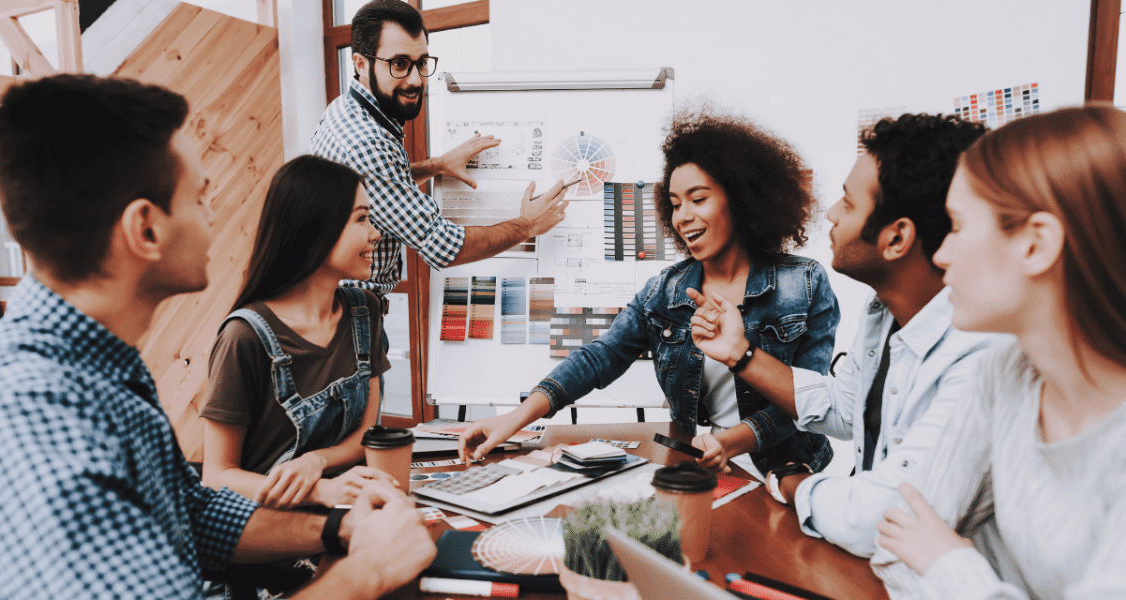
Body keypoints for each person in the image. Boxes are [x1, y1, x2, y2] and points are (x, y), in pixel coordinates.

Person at [0, 74, 434, 599]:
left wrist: (340, 528)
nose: (213, 219)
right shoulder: (29, 421)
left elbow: (192, 513)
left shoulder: (95, 368)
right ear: (145, 229)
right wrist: (366, 571)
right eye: (200, 198)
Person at [459, 105, 838, 476]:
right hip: (699, 468)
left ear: (739, 198)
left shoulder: (803, 285)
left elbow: (809, 402)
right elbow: (600, 357)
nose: (683, 216)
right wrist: (515, 417)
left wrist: (732, 442)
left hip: (792, 474)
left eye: (698, 199)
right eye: (675, 204)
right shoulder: (665, 292)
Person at [689, 113, 994, 557]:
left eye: (848, 204)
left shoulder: (978, 351)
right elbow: (843, 406)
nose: (831, 213)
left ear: (897, 238)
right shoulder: (884, 315)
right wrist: (740, 352)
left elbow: (883, 515)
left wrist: (797, 485)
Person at [872, 105, 1126, 599]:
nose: (941, 254)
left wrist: (952, 564)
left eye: (957, 226)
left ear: (1035, 245)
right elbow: (896, 548)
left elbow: (930, 556)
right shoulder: (1005, 373)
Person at [310, 0, 569, 306]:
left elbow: (376, 183)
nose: (416, 79)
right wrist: (526, 226)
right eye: (399, 63)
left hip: (337, 307)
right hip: (347, 318)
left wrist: (435, 165)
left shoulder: (346, 108)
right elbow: (443, 246)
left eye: (421, 62)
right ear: (361, 64)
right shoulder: (365, 141)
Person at [201, 156, 397, 510]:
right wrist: (318, 491)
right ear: (316, 229)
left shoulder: (365, 310)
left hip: (351, 511)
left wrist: (315, 461)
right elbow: (217, 476)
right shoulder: (244, 337)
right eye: (361, 218)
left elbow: (365, 437)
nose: (375, 233)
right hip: (271, 530)